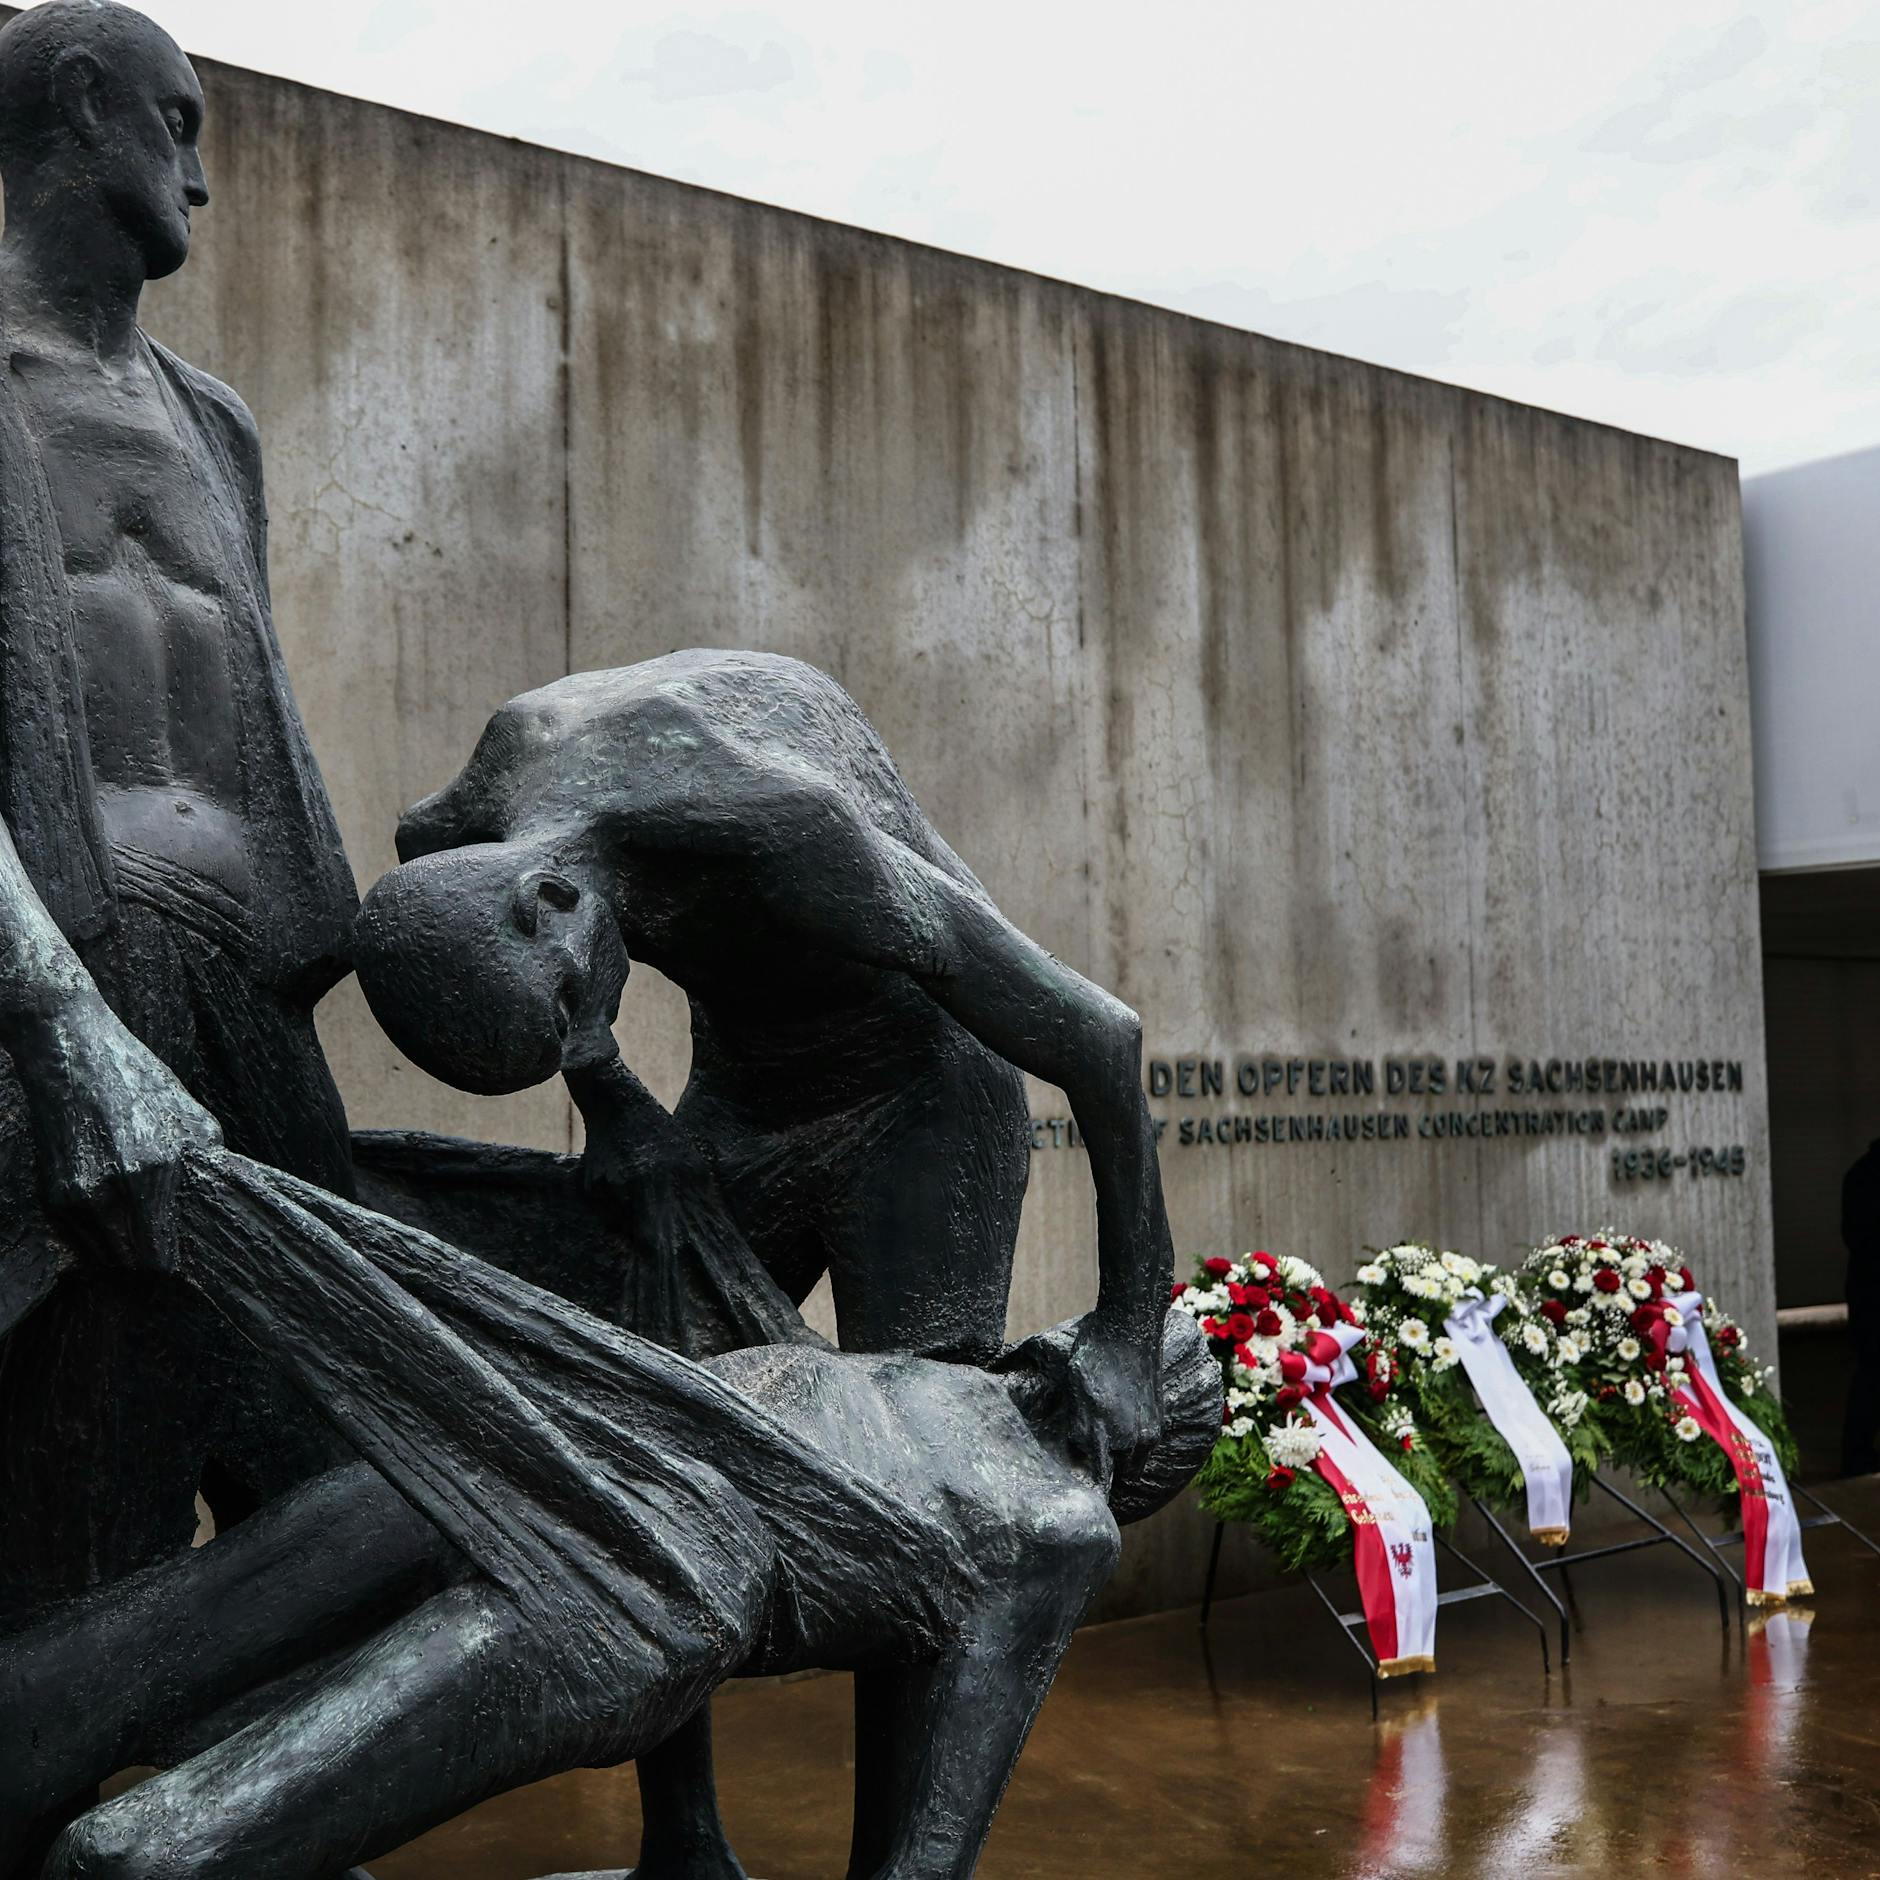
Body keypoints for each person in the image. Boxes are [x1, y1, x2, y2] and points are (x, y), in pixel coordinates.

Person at [11, 1149, 1217, 1880]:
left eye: (1120, 1336)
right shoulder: (981, 1430)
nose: (1080, 1335)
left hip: (627, 1518)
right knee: (93, 1696)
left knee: (172, 1809)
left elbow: (931, 1823)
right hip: (599, 1463)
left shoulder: (1041, 1505)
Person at [0, 0, 357, 1634]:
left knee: (332, 1456)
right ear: (84, 105)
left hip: (250, 996)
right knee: (82, 1493)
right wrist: (61, 1029)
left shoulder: (216, 424)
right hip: (66, 994)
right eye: (183, 123)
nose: (201, 184)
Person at [1841, 1137, 1880, 1475]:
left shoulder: (1858, 1173)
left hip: (1866, 1290)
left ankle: (1858, 1454)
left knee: (1870, 1374)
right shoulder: (1867, 1176)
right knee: (1871, 1376)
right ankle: (1857, 1455)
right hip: (1873, 1291)